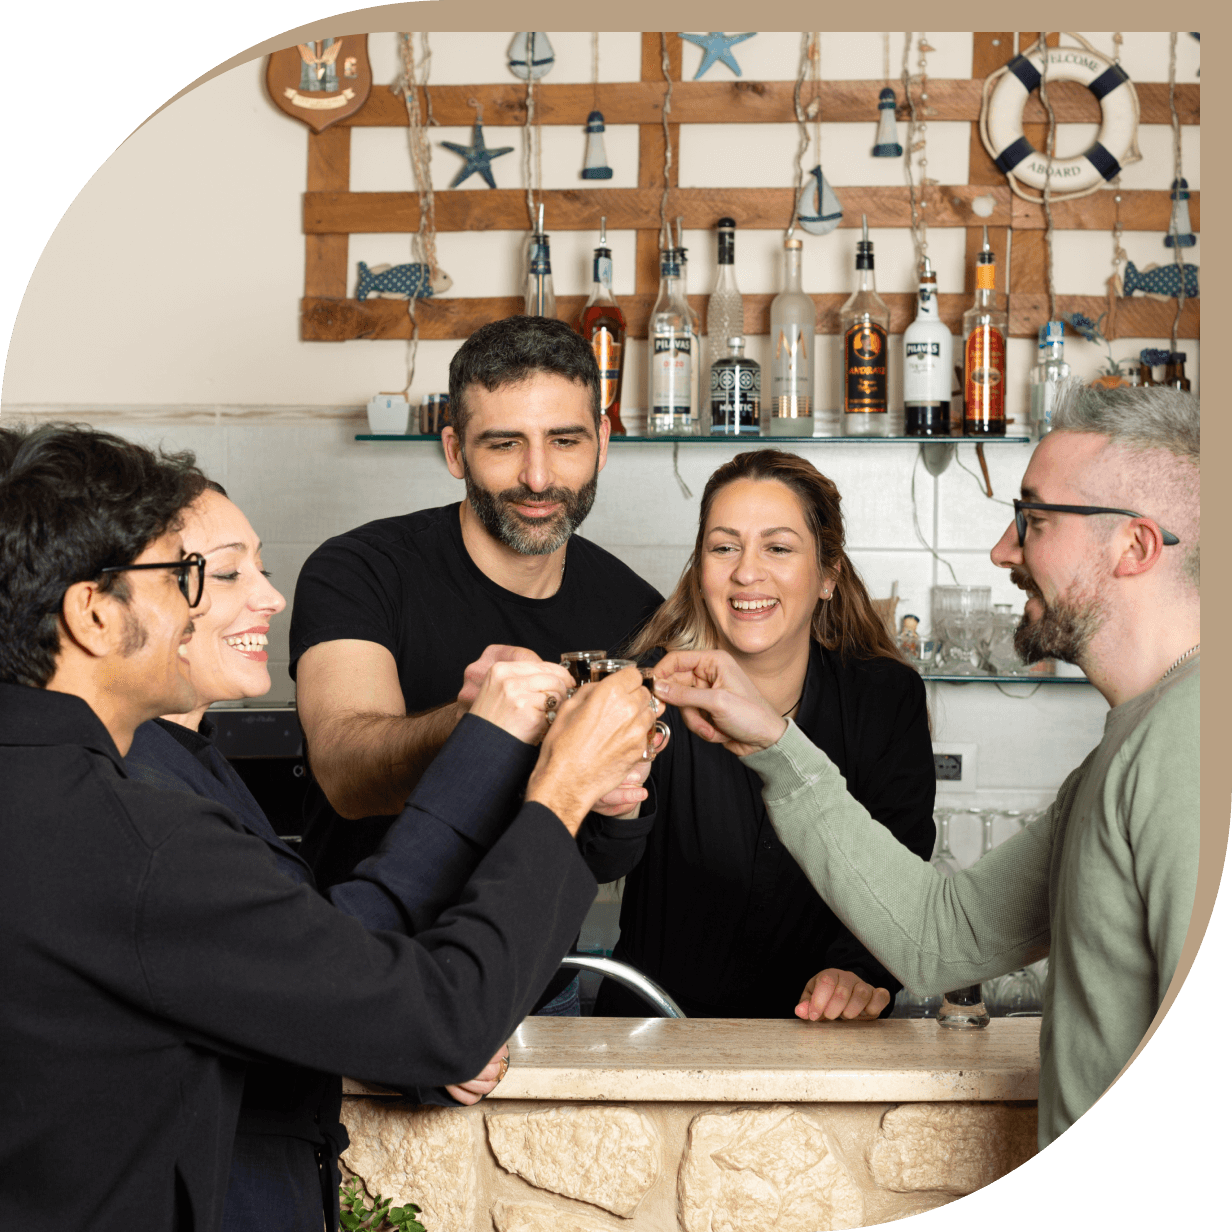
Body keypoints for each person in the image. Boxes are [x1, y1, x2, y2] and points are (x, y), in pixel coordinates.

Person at [0, 423, 661, 1230]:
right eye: (184, 579)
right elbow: (438, 1017)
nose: (205, 605)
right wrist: (559, 788)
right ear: (95, 616)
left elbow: (301, 971)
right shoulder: (135, 837)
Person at [649, 381, 1200, 1147]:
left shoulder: (1192, 742)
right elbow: (945, 938)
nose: (1003, 549)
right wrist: (773, 745)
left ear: (1134, 546)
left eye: (1033, 521)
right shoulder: (1135, 744)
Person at [123, 480, 579, 1231]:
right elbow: (330, 956)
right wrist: (522, 762)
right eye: (231, 573)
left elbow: (263, 986)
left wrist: (389, 1039)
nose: (270, 598)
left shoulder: (188, 762)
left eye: (261, 569)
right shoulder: (139, 789)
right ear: (115, 603)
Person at [290, 315, 664, 1015]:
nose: (538, 476)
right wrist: (476, 726)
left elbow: (608, 861)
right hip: (359, 978)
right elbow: (344, 773)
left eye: (565, 441)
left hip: (535, 989)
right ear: (456, 450)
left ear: (603, 445)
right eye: (504, 444)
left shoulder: (636, 610)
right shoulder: (358, 571)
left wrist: (615, 800)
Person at [592, 450, 937, 1020]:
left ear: (828, 575)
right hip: (654, 1035)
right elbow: (602, 858)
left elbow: (903, 873)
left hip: (822, 1043)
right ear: (700, 571)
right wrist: (612, 803)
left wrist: (860, 971)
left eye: (777, 548)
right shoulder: (651, 687)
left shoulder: (883, 697)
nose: (747, 572)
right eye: (724, 547)